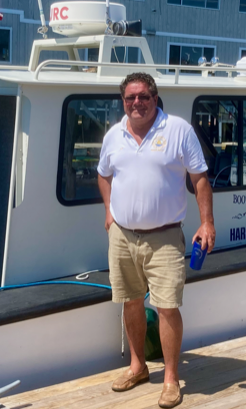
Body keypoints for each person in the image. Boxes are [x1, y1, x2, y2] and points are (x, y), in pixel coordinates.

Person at [97, 73, 215, 408]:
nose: (137, 102)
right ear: (123, 101)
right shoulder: (113, 135)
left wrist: (206, 223)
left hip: (164, 237)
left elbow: (200, 179)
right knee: (130, 301)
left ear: (155, 97)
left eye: (144, 96)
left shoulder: (178, 130)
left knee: (166, 307)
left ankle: (170, 378)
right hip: (122, 235)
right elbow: (103, 175)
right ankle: (137, 367)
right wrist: (109, 211)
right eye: (130, 97)